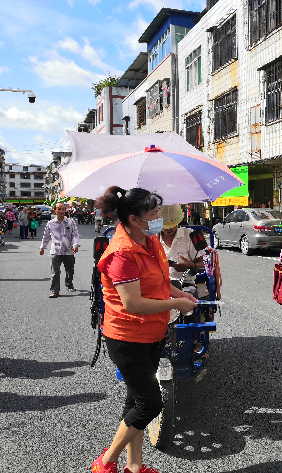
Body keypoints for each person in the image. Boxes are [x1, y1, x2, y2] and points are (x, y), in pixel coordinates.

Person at [90, 187, 198, 473]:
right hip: (127, 338)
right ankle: (106, 461)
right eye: (153, 214)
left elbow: (162, 281)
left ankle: (134, 466)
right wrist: (176, 302)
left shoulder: (148, 242)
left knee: (135, 401)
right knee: (149, 405)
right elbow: (133, 303)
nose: (159, 218)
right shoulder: (122, 253)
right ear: (135, 219)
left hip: (152, 333)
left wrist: (180, 294)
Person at [39, 202, 80, 298]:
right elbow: (46, 237)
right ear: (55, 210)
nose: (61, 211)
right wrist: (42, 247)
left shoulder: (71, 222)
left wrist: (75, 244)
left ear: (65, 210)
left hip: (68, 251)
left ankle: (69, 284)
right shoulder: (50, 223)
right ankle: (55, 291)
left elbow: (75, 235)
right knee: (55, 273)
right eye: (59, 209)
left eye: (63, 209)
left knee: (69, 270)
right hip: (55, 251)